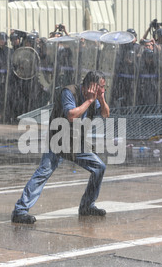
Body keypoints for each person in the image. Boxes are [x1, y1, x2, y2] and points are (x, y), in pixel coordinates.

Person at [11, 71, 110, 224]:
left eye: (104, 88)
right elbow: (71, 115)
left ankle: (87, 206)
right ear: (90, 86)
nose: (103, 90)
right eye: (100, 87)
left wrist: (101, 99)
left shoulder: (95, 97)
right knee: (43, 173)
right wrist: (89, 101)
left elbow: (105, 114)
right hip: (59, 139)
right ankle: (20, 210)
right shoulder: (69, 92)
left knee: (99, 167)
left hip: (76, 142)